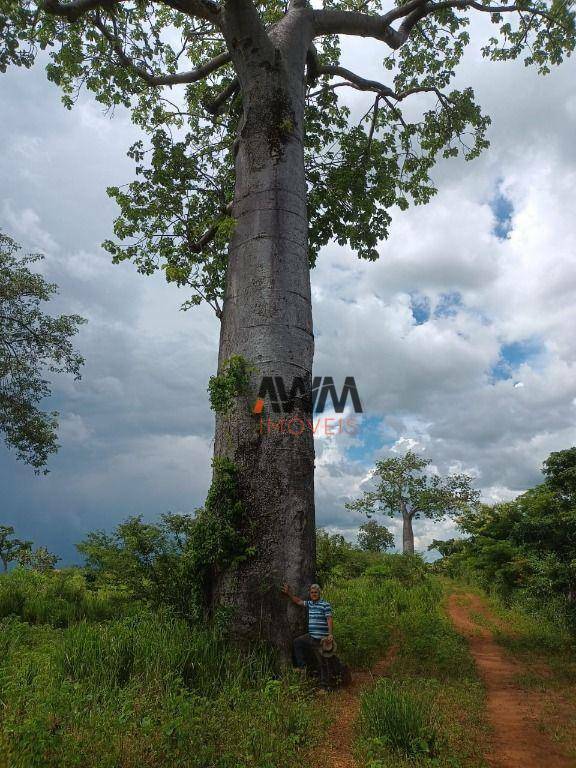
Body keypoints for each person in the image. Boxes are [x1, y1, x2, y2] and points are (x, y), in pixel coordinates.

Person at [281, 582, 334, 689]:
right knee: (297, 642)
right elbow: (299, 601)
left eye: (316, 592)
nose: (314, 594)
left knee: (322, 662)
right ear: (310, 593)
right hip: (311, 637)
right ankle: (302, 667)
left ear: (319, 593)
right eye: (312, 592)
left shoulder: (325, 605)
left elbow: (329, 619)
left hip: (321, 639)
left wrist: (330, 634)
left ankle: (325, 686)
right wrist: (289, 593)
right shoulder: (310, 604)